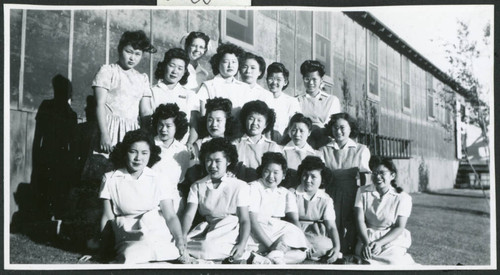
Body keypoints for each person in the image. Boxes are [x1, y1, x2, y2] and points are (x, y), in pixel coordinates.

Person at [99, 129, 186, 263]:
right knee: (132, 254)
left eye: (144, 153)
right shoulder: (110, 178)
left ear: (151, 154)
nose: (138, 158)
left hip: (155, 229)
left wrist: (180, 241)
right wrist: (103, 250)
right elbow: (107, 217)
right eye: (133, 151)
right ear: (124, 152)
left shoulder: (159, 178)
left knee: (166, 251)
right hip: (127, 232)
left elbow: (170, 215)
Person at [181, 138, 253, 261]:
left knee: (207, 247)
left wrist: (241, 244)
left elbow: (244, 220)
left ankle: (247, 254)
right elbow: (189, 215)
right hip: (207, 228)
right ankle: (232, 257)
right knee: (180, 246)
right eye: (208, 160)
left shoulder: (240, 186)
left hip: (229, 228)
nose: (212, 166)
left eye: (217, 161)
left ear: (228, 161)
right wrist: (181, 237)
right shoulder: (197, 186)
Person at [92, 30, 156, 154]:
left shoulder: (142, 78)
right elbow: (99, 104)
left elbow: (145, 112)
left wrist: (147, 138)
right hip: (109, 129)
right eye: (128, 52)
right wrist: (104, 134)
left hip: (132, 132)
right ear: (120, 49)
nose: (132, 58)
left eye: (137, 54)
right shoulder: (108, 71)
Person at [319, 113, 371, 255]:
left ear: (350, 129)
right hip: (330, 192)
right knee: (333, 222)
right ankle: (334, 251)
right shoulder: (324, 150)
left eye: (342, 127)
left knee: (351, 223)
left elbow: (366, 176)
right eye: (335, 128)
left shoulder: (361, 149)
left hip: (352, 193)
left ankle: (350, 252)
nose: (338, 131)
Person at [248, 152, 308, 264]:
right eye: (267, 171)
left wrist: (303, 240)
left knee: (301, 254)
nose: (271, 177)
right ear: (261, 171)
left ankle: (268, 259)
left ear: (283, 175)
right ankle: (273, 256)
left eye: (276, 172)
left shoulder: (285, 193)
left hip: (276, 235)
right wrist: (271, 246)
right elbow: (252, 221)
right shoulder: (254, 187)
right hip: (256, 234)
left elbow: (294, 221)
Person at [354, 157, 416, 265]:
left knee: (394, 262)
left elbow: (399, 227)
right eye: (374, 173)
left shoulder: (403, 198)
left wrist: (379, 243)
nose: (378, 177)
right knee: (365, 261)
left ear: (392, 175)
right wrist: (366, 243)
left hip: (390, 239)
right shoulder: (362, 191)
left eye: (382, 173)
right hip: (366, 237)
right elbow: (360, 220)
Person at [289, 156, 341, 263]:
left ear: (322, 179)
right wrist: (304, 243)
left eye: (313, 177)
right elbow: (293, 220)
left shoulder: (326, 199)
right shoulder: (292, 193)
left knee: (327, 246)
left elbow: (331, 227)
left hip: (315, 234)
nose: (308, 180)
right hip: (295, 231)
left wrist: (337, 247)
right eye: (305, 175)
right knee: (290, 244)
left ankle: (303, 254)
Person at [150, 104, 191, 215]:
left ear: (177, 127)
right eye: (160, 125)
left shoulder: (183, 151)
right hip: (151, 194)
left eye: (168, 126)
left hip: (173, 198)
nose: (163, 129)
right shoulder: (149, 145)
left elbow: (183, 178)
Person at [233, 100, 282, 182]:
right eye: (251, 119)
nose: (254, 123)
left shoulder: (273, 147)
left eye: (259, 120)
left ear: (266, 124)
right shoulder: (235, 143)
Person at [296, 60, 341, 149]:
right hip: (302, 144)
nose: (310, 83)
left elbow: (333, 126)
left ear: (321, 80)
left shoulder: (331, 100)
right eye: (307, 79)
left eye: (314, 79)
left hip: (325, 144)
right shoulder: (296, 100)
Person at [281, 113, 320, 188]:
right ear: (289, 131)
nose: (297, 134)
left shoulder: (317, 155)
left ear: (309, 133)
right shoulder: (280, 151)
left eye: (301, 131)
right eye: (294, 130)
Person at [265, 62, 300, 142]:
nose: (274, 82)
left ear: (285, 82)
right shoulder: (261, 97)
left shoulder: (291, 101)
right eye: (271, 78)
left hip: (283, 141)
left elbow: (295, 124)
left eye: (278, 80)